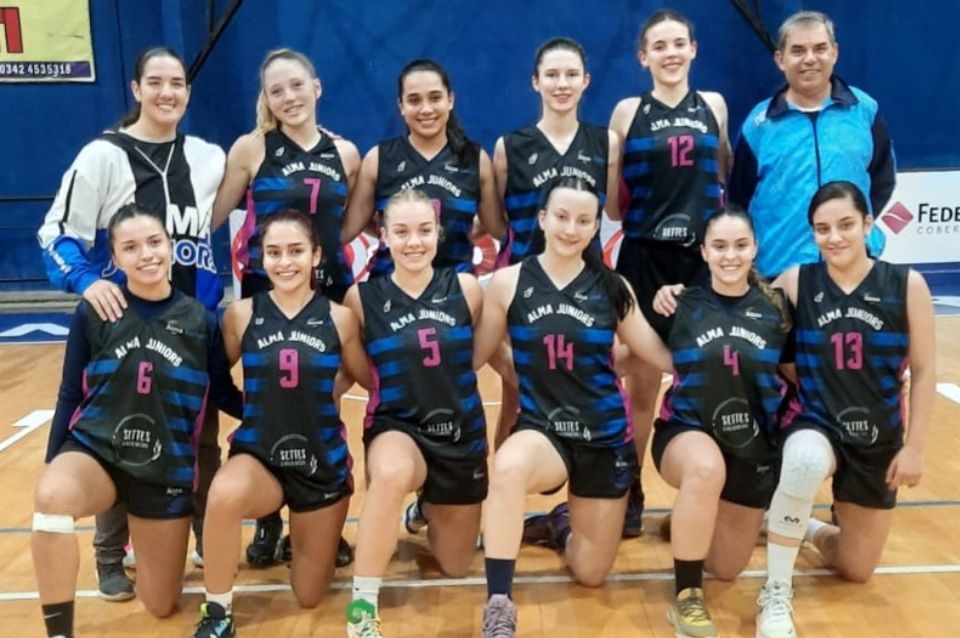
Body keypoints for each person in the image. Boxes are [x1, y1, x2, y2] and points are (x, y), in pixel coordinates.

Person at [37, 45, 225, 599]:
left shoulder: (208, 158)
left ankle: (200, 536)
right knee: (118, 433)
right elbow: (55, 232)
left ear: (188, 92)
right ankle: (109, 552)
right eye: (156, 82)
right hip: (123, 324)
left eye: (177, 83)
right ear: (137, 89)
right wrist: (84, 281)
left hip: (191, 326)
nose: (168, 92)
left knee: (200, 439)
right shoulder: (103, 156)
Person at [32, 205, 241, 638]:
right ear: (115, 257)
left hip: (165, 466)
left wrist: (277, 414)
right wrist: (55, 460)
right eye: (130, 247)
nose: (146, 254)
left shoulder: (201, 321)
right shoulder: (96, 311)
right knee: (51, 498)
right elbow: (70, 392)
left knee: (160, 604)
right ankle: (59, 633)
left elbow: (221, 393)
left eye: (154, 242)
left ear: (171, 247)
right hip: (99, 452)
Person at [474, 178, 669, 638]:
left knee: (590, 572)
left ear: (596, 226)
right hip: (543, 430)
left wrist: (714, 349)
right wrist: (518, 371)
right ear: (542, 219)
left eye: (583, 220)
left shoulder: (613, 287)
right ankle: (499, 602)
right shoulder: (508, 282)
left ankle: (559, 525)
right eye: (561, 217)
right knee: (508, 467)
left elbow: (650, 352)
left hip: (604, 434)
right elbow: (479, 353)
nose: (570, 228)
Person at [756, 181, 934, 638]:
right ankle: (775, 591)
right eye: (822, 229)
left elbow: (925, 370)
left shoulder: (907, 285)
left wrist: (914, 448)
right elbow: (742, 312)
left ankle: (803, 526)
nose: (834, 237)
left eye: (845, 225)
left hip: (878, 436)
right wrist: (682, 294)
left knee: (856, 568)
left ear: (868, 224)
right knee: (803, 461)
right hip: (815, 422)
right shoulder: (798, 281)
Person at [211, 47, 361, 570]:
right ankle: (269, 515)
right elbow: (211, 215)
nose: (289, 97)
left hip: (328, 286)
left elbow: (349, 222)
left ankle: (320, 513)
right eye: (277, 90)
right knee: (268, 399)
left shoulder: (346, 153)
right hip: (266, 286)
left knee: (324, 399)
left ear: (316, 88)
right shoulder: (252, 148)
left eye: (297, 85)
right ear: (267, 99)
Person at [191, 211, 370, 637]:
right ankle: (217, 614)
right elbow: (213, 377)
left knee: (309, 595)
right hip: (261, 457)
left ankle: (310, 536)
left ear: (316, 255)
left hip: (320, 461)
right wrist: (250, 406)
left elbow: (364, 375)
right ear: (260, 258)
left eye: (295, 251)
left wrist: (327, 392)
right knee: (224, 493)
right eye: (273, 253)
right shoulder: (241, 314)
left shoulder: (340, 318)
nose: (285, 262)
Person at [341, 189, 487, 638]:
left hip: (460, 432)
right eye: (401, 232)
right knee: (390, 473)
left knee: (456, 564)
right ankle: (362, 607)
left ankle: (424, 506)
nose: (413, 242)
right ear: (383, 236)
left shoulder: (466, 289)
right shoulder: (361, 298)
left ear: (438, 234)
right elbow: (359, 370)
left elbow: (478, 355)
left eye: (424, 230)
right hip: (399, 425)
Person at [608, 10, 732, 537]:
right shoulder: (626, 112)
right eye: (659, 46)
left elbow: (721, 174)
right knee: (641, 381)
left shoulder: (715, 106)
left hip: (700, 262)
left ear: (693, 49)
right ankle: (631, 490)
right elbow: (613, 204)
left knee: (709, 375)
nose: (670, 53)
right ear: (644, 57)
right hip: (644, 257)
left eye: (679, 43)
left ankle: (711, 490)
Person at [648, 207, 792, 637]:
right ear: (704, 251)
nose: (730, 256)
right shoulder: (679, 304)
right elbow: (631, 353)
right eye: (720, 246)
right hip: (685, 432)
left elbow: (798, 372)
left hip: (751, 448)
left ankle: (693, 517)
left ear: (755, 248)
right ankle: (686, 598)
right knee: (705, 468)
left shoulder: (778, 309)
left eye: (741, 245)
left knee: (726, 568)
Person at [490, 37, 621, 490]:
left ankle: (603, 489)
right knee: (514, 396)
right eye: (551, 75)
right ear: (535, 82)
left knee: (593, 388)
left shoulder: (606, 142)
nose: (561, 84)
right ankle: (498, 496)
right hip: (527, 289)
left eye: (571, 75)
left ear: (586, 81)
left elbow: (612, 211)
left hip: (586, 289)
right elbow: (497, 221)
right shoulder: (510, 146)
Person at [727, 10, 896, 279]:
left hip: (854, 268)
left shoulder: (865, 111)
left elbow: (882, 180)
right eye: (798, 50)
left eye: (820, 49)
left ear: (834, 52)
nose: (810, 59)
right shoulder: (758, 125)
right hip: (780, 270)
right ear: (780, 59)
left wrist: (850, 230)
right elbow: (739, 198)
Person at [342, 58, 504, 277]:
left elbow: (497, 228)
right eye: (414, 100)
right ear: (401, 106)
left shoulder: (474, 159)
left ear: (450, 100)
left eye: (435, 98)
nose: (426, 109)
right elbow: (347, 229)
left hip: (455, 287)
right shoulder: (379, 159)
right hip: (390, 289)